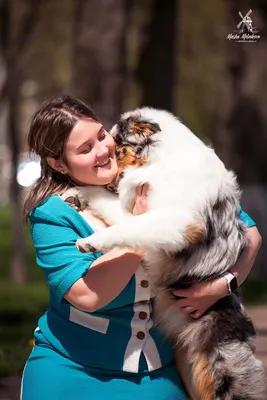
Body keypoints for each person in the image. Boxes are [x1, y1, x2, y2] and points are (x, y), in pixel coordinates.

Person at [20, 95, 261, 400]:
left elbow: (250, 234)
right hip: (72, 373)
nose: (103, 150)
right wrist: (142, 228)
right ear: (58, 163)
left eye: (101, 135)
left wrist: (222, 285)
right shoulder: (52, 213)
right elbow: (87, 295)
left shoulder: (147, 165)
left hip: (155, 376)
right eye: (85, 149)